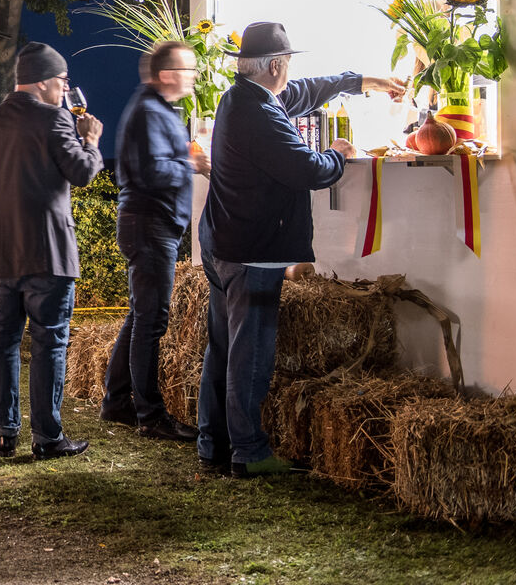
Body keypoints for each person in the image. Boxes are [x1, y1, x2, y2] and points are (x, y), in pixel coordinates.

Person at [197, 23, 405, 477]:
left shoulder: (241, 98)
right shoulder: (260, 115)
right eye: (288, 63)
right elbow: (307, 169)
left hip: (222, 242)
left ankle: (212, 443)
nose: (290, 72)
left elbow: (305, 91)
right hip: (251, 250)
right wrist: (338, 153)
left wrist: (361, 81)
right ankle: (248, 452)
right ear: (275, 65)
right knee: (250, 355)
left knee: (223, 347)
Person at [0, 41, 105, 461]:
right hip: (47, 253)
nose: (65, 89)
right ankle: (47, 437)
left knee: (4, 341)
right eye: (62, 81)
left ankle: (5, 432)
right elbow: (82, 172)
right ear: (44, 82)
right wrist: (91, 141)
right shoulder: (55, 119)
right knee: (49, 342)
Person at [101, 40, 208, 441]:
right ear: (167, 75)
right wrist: (190, 163)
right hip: (149, 226)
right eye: (188, 70)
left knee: (141, 316)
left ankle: (116, 402)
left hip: (149, 224)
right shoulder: (149, 112)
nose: (193, 77)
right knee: (151, 321)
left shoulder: (156, 109)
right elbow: (151, 173)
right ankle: (150, 415)